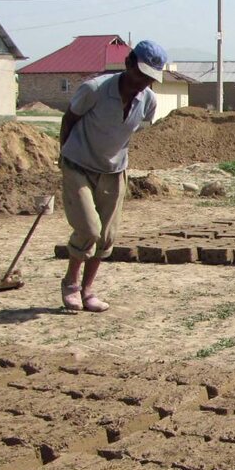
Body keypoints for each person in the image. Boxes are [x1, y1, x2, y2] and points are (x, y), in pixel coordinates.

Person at [58, 39, 166, 312]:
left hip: (114, 170)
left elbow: (130, 133)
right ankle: (70, 282)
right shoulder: (95, 89)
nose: (143, 82)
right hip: (78, 165)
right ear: (128, 63)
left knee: (106, 236)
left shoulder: (148, 101)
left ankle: (88, 290)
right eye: (141, 74)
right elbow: (68, 119)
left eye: (150, 78)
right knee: (89, 229)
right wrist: (64, 155)